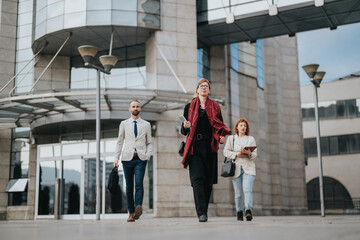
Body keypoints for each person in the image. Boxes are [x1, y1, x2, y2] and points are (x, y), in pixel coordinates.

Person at [181, 78, 232, 222]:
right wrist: (184, 127)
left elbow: (220, 127)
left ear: (209, 90)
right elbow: (184, 131)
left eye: (206, 86)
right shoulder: (189, 106)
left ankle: (204, 209)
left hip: (210, 147)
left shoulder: (215, 107)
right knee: (197, 179)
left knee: (208, 181)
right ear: (197, 90)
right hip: (194, 146)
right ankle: (201, 213)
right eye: (201, 86)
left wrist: (222, 137)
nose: (204, 88)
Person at [114, 100, 152, 222]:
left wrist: (147, 155)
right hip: (127, 159)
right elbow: (120, 141)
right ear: (129, 109)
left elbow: (149, 142)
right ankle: (131, 213)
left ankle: (138, 207)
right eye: (133, 106)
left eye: (137, 106)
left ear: (140, 109)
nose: (135, 108)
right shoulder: (124, 124)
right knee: (129, 186)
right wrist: (116, 158)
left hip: (140, 158)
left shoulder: (146, 124)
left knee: (139, 183)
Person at [223, 118, 257, 221]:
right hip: (236, 169)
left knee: (247, 190)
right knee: (238, 193)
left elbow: (255, 154)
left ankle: (248, 210)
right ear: (237, 127)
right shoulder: (231, 139)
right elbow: (225, 151)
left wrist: (249, 153)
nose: (243, 127)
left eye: (245, 126)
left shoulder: (250, 139)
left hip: (249, 169)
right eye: (241, 125)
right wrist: (235, 154)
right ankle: (239, 211)